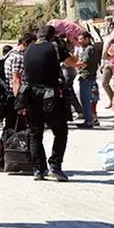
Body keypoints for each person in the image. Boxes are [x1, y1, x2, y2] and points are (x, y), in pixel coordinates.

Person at [17, 25, 82, 182]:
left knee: (35, 133)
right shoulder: (55, 47)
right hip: (50, 96)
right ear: (53, 37)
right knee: (60, 131)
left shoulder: (28, 49)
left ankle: (38, 169)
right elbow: (72, 62)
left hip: (31, 96)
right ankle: (55, 166)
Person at [0, 32, 36, 172]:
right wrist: (20, 102)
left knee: (11, 129)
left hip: (11, 97)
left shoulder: (10, 54)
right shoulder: (18, 57)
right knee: (14, 129)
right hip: (15, 98)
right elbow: (16, 80)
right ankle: (3, 161)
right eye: (31, 45)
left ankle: (2, 161)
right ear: (24, 44)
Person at [75, 31, 100, 129]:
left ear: (87, 39)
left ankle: (89, 121)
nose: (79, 41)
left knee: (85, 100)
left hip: (86, 77)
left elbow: (84, 63)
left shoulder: (88, 49)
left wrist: (71, 64)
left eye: (81, 39)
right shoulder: (88, 48)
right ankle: (89, 120)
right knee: (88, 100)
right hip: (89, 77)